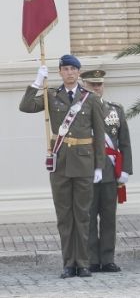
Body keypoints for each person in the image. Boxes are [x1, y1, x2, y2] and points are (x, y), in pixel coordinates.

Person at [18, 54, 106, 279]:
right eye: (65, 69)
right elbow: (25, 106)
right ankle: (69, 263)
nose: (69, 72)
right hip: (60, 163)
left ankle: (83, 263)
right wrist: (37, 82)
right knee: (65, 217)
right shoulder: (51, 95)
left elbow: (99, 134)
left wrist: (99, 166)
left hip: (85, 163)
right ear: (60, 72)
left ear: (78, 72)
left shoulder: (90, 99)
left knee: (83, 215)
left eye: (72, 69)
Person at [80, 69, 130, 274]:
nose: (97, 88)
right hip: (87, 171)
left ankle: (108, 258)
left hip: (110, 171)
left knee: (109, 216)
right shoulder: (78, 111)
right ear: (84, 86)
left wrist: (126, 169)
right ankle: (92, 259)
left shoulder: (115, 110)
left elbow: (124, 142)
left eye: (99, 84)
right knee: (89, 217)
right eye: (92, 84)